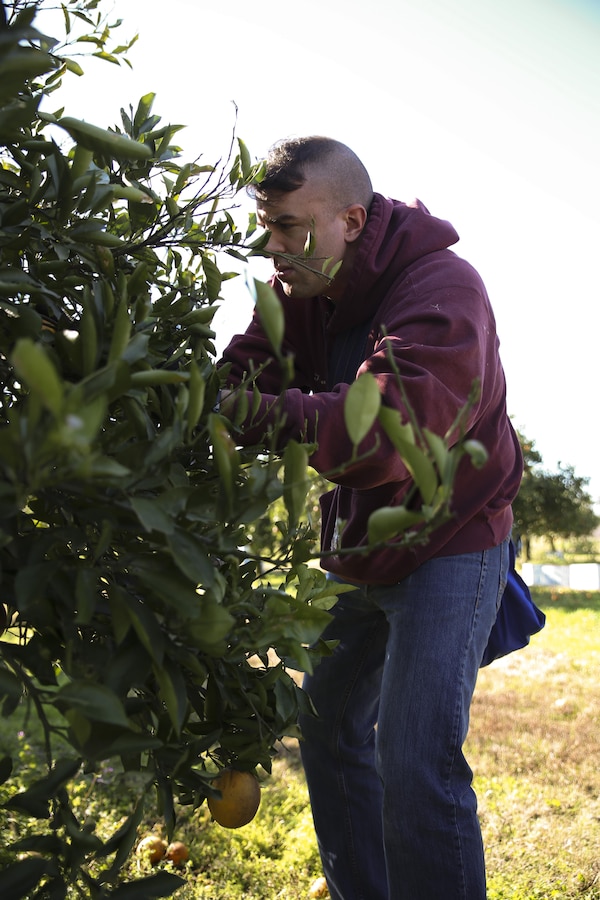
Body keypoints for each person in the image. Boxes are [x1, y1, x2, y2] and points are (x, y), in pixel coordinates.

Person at [218, 136, 523, 900]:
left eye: (292, 227)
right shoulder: (301, 294)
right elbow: (241, 372)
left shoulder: (442, 288)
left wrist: (250, 414)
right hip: (360, 543)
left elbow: (395, 429)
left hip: (450, 542)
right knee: (327, 728)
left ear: (351, 221)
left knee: (415, 761)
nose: (274, 247)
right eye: (268, 225)